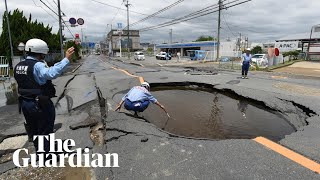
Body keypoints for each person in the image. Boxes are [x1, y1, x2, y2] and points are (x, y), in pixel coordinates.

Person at [14, 38, 75, 156]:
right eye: (44, 53)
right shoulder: (37, 66)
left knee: (34, 129)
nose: (44, 55)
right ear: (40, 52)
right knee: (45, 129)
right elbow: (51, 73)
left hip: (25, 103)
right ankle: (47, 157)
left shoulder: (19, 66)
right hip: (39, 103)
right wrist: (66, 59)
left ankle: (40, 152)